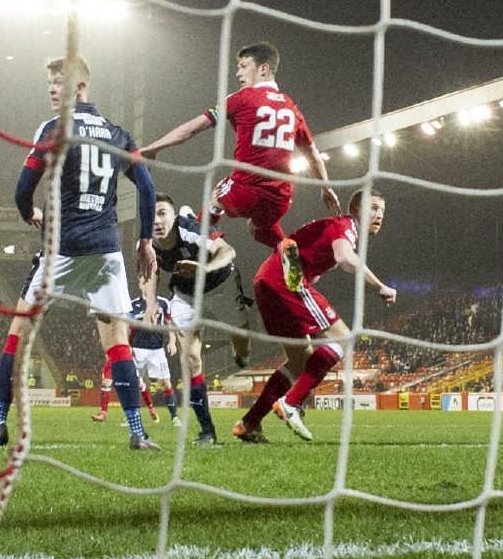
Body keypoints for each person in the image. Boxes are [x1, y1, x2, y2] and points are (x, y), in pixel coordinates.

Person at [0, 56, 161, 452]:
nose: (51, 89)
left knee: (18, 338)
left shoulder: (54, 129)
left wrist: (31, 214)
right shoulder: (117, 133)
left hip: (61, 250)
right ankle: (137, 433)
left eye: (58, 83)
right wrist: (145, 241)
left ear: (79, 87)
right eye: (49, 83)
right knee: (117, 342)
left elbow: (22, 191)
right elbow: (146, 189)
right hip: (106, 253)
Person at [140, 41, 342, 251]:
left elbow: (190, 130)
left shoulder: (240, 99)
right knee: (258, 228)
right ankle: (284, 249)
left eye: (244, 66)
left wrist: (154, 147)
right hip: (281, 200)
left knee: (214, 200)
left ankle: (201, 246)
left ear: (263, 69)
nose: (238, 73)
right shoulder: (291, 107)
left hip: (246, 190)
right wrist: (326, 188)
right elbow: (313, 156)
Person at [232, 190, 396, 443]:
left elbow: (316, 255)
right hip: (287, 281)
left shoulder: (335, 227)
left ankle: (250, 423)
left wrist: (313, 268)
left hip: (266, 280)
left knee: (301, 360)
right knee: (342, 336)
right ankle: (291, 403)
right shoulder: (347, 225)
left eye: (382, 212)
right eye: (373, 208)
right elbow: (344, 257)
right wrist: (380, 286)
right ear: (357, 210)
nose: (379, 216)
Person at [135, 192, 237, 445]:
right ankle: (207, 431)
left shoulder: (189, 230)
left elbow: (228, 251)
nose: (156, 221)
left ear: (175, 216)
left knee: (242, 344)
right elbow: (150, 272)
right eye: (152, 215)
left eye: (162, 214)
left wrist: (205, 268)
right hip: (185, 292)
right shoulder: (144, 243)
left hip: (220, 283)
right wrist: (150, 304)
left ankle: (241, 349)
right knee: (190, 357)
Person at [93, 295, 177, 426]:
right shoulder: (131, 306)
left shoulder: (163, 302)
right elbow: (124, 328)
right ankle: (128, 416)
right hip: (134, 349)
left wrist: (172, 342)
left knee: (164, 383)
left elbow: (170, 323)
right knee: (132, 383)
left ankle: (173, 416)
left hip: (156, 349)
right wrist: (126, 346)